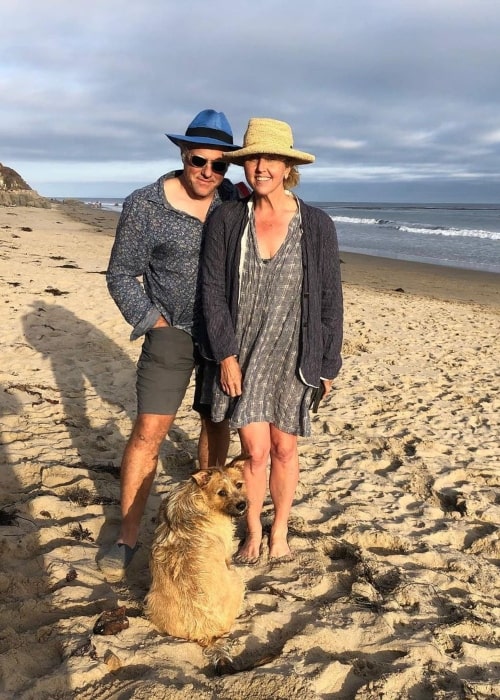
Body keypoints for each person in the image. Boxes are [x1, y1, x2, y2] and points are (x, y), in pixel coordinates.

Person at [97, 109, 244, 579]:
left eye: (219, 164)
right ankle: (126, 537)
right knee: (148, 433)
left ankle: (208, 532)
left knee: (216, 427)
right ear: (183, 154)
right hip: (171, 332)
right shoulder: (145, 205)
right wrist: (152, 321)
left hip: (224, 336)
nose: (207, 172)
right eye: (199, 160)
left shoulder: (234, 201)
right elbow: (121, 273)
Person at [200, 117, 343, 563]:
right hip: (242, 355)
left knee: (285, 448)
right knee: (254, 452)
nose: (261, 167)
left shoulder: (317, 224)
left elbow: (330, 298)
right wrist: (224, 354)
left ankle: (279, 532)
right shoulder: (226, 218)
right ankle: (253, 534)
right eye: (253, 158)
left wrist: (328, 364)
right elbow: (211, 291)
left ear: (287, 166)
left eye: (271, 159)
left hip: (296, 355)